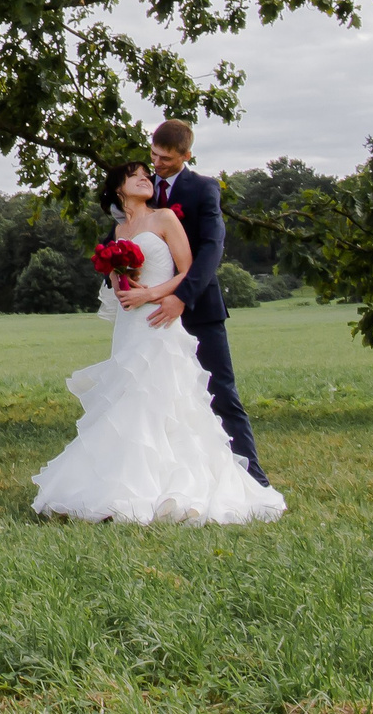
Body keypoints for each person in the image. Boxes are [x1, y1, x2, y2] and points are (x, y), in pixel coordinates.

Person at [28, 156, 285, 526]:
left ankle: (174, 486)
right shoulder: (117, 233)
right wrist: (121, 286)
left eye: (147, 175)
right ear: (119, 187)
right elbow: (116, 279)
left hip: (160, 318)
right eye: (136, 176)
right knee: (127, 398)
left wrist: (152, 296)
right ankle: (118, 486)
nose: (146, 178)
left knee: (165, 397)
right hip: (130, 324)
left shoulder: (166, 218)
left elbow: (186, 270)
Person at [132, 117, 266, 483]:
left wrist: (182, 298)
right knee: (155, 396)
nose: (158, 164)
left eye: (167, 159)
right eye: (154, 155)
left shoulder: (204, 189)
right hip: (150, 312)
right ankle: (167, 479)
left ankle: (252, 477)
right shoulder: (139, 187)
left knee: (220, 391)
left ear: (187, 155)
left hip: (198, 308)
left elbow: (211, 248)